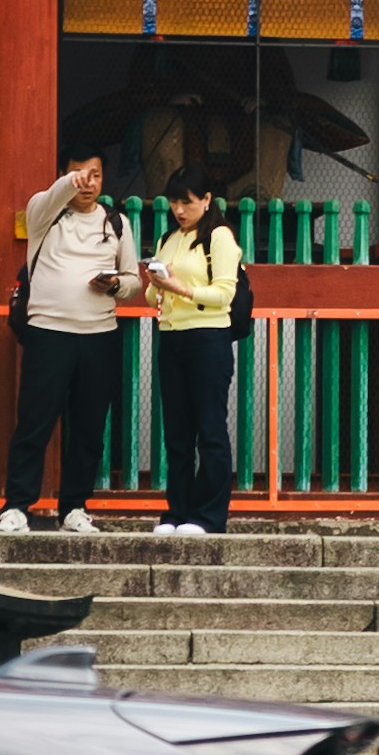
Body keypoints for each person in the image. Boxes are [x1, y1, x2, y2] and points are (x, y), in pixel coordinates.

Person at [0, 151, 146, 533]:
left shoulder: (116, 223)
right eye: (79, 175)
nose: (88, 182)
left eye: (95, 175)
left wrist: (115, 285)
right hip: (48, 332)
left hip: (99, 335)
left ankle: (74, 508)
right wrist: (69, 182)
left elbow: (133, 281)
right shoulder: (44, 214)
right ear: (63, 177)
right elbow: (51, 197)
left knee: (89, 427)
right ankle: (16, 507)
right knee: (34, 421)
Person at [141, 163, 243, 541]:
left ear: (206, 200)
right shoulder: (169, 238)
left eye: (186, 202)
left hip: (208, 338)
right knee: (177, 433)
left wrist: (180, 288)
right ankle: (177, 511)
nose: (179, 210)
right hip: (172, 336)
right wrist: (156, 282)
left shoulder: (219, 236)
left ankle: (210, 515)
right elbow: (153, 296)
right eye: (173, 202)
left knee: (210, 430)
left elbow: (224, 294)